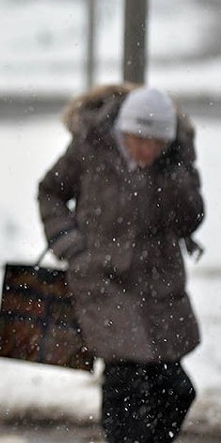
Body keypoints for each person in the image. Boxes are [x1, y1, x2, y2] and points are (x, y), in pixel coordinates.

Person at [38, 84, 204, 443]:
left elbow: (189, 220)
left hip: (157, 285)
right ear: (122, 131)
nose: (147, 149)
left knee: (176, 391)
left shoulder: (173, 161)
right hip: (103, 281)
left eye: (156, 142)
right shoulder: (91, 147)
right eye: (139, 139)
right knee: (126, 383)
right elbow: (50, 192)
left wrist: (174, 173)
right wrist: (72, 247)